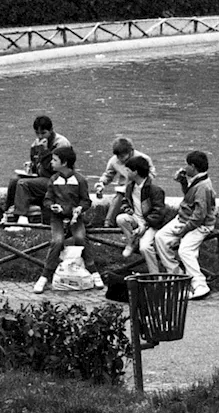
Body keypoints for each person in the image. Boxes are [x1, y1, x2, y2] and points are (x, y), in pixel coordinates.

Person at [148, 150, 216, 300]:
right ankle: (178, 278)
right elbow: (189, 198)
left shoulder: (203, 186)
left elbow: (199, 216)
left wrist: (180, 234)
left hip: (200, 225)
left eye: (187, 165)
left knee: (185, 250)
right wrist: (183, 182)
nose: (185, 168)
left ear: (193, 166)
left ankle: (200, 284)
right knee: (160, 238)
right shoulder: (198, 181)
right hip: (184, 219)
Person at [33, 147, 99, 294]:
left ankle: (93, 270)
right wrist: (52, 207)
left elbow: (86, 201)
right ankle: (45, 276)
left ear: (64, 162)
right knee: (57, 241)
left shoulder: (80, 180)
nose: (51, 162)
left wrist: (80, 209)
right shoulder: (53, 179)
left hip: (75, 218)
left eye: (55, 160)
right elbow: (47, 200)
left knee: (80, 237)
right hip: (57, 218)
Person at [4, 115, 71, 224]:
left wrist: (44, 152)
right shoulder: (36, 143)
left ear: (51, 130)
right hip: (41, 177)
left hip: (57, 179)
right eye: (37, 133)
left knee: (23, 184)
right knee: (14, 181)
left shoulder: (61, 144)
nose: (40, 136)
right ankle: (7, 213)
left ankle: (21, 217)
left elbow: (56, 168)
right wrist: (31, 166)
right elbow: (36, 163)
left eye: (43, 133)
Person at [115, 155, 166, 270]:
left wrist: (145, 225)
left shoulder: (155, 190)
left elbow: (159, 213)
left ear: (135, 172)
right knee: (121, 218)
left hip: (150, 223)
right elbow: (126, 201)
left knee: (145, 247)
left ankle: (155, 275)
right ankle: (132, 241)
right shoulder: (130, 187)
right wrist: (127, 208)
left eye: (128, 170)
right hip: (136, 218)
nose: (125, 172)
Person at [93, 137, 151, 228]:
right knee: (119, 196)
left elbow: (151, 174)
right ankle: (108, 223)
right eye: (118, 156)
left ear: (131, 152)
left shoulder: (143, 158)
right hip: (123, 187)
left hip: (140, 186)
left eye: (123, 156)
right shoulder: (114, 161)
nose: (120, 159)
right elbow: (108, 174)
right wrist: (101, 183)